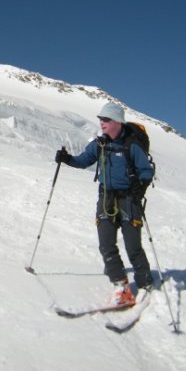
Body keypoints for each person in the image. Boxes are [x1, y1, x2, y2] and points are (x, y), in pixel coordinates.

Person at [55, 102, 154, 306]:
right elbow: (83, 161)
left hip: (129, 200)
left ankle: (145, 282)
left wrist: (140, 184)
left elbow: (147, 170)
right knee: (106, 244)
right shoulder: (99, 144)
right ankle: (120, 284)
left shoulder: (132, 145)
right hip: (106, 199)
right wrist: (66, 159)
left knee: (133, 246)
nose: (102, 123)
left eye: (106, 119)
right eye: (101, 119)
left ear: (117, 122)